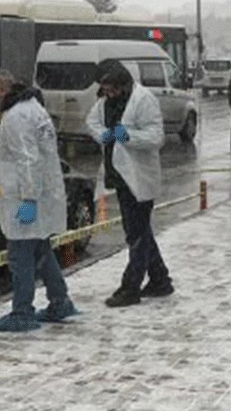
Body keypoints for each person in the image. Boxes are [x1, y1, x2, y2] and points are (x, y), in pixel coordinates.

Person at [0, 69, 75, 331]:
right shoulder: (34, 108)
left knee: (20, 255)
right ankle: (59, 300)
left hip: (27, 195)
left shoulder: (16, 116)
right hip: (41, 191)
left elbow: (26, 158)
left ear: (1, 90)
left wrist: (29, 198)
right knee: (41, 249)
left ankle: (22, 311)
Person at [86, 60, 172, 307]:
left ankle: (130, 287)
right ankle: (159, 279)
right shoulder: (104, 103)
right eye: (104, 90)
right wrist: (103, 134)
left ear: (122, 84)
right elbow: (91, 122)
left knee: (136, 234)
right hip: (119, 176)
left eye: (111, 89)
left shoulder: (143, 100)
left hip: (138, 177)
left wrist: (129, 137)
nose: (107, 94)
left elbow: (156, 137)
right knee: (140, 231)